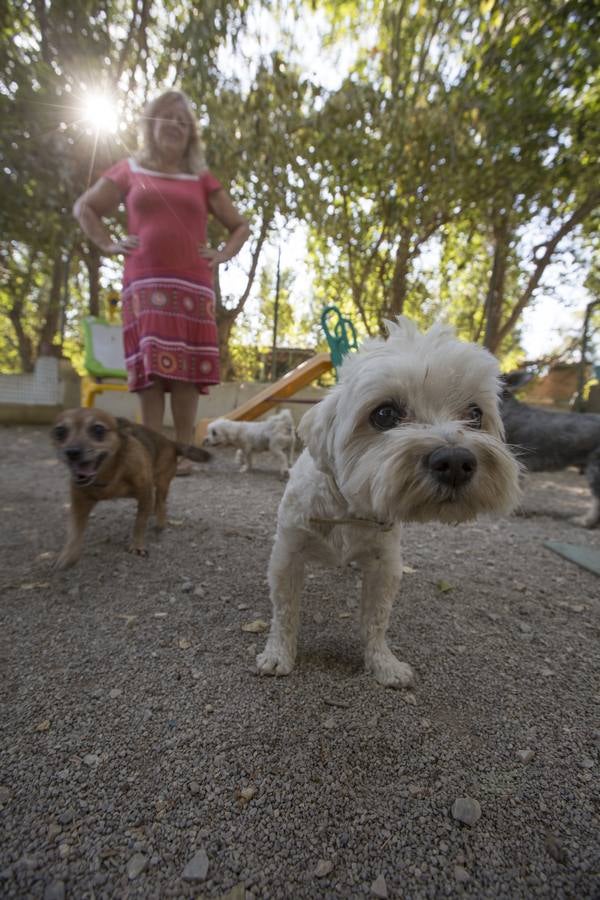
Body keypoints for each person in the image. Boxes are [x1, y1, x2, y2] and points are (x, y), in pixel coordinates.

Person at [73, 89, 250, 474]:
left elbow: (240, 226)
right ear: (151, 124)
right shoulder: (129, 169)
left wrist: (221, 254)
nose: (175, 126)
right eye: (168, 117)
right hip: (144, 283)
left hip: (192, 286)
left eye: (183, 122)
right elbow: (85, 207)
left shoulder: (201, 178)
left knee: (186, 373)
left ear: (191, 135)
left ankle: (182, 453)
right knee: (150, 372)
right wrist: (108, 243)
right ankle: (151, 454)